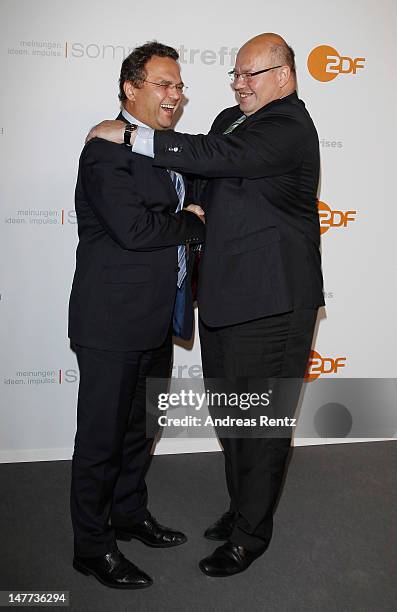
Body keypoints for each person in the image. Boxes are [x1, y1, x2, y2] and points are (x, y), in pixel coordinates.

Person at [89, 32, 324, 577]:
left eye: (251, 74)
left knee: (260, 423)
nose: (239, 83)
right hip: (225, 297)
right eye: (235, 74)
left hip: (273, 300)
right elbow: (205, 175)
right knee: (232, 414)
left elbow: (217, 156)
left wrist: (132, 136)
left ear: (284, 77)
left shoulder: (289, 125)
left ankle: (251, 535)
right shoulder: (228, 117)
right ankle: (245, 508)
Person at [68, 41, 205, 589]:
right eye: (164, 84)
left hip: (156, 321)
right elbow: (135, 230)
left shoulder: (164, 147)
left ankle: (128, 514)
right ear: (131, 88)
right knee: (101, 439)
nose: (175, 94)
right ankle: (91, 546)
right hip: (110, 322)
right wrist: (190, 221)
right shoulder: (105, 151)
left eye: (179, 85)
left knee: (139, 431)